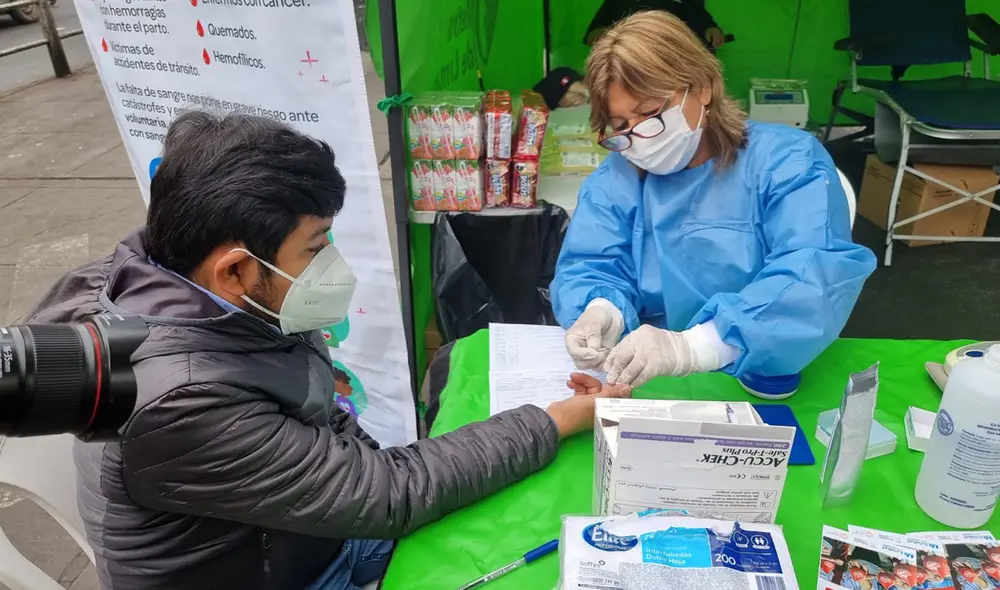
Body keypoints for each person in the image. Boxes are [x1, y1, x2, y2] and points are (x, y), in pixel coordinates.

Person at [25, 110, 629, 590]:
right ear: (235, 269)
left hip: (292, 540)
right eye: (316, 248)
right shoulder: (185, 403)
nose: (332, 265)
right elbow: (390, 494)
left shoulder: (190, 282)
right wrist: (550, 420)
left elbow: (327, 426)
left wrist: (382, 468)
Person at [551, 11, 876, 398]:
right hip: (644, 372)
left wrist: (701, 345)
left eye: (651, 112)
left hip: (759, 365)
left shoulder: (787, 162)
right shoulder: (616, 178)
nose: (638, 136)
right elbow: (592, 262)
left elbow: (814, 274)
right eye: (621, 126)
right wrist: (601, 308)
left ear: (702, 87)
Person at [585, 0, 726, 49]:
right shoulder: (617, 3)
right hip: (628, 63)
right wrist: (600, 33)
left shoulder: (679, 3)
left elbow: (702, 21)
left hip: (673, 62)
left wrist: (711, 29)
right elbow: (594, 33)